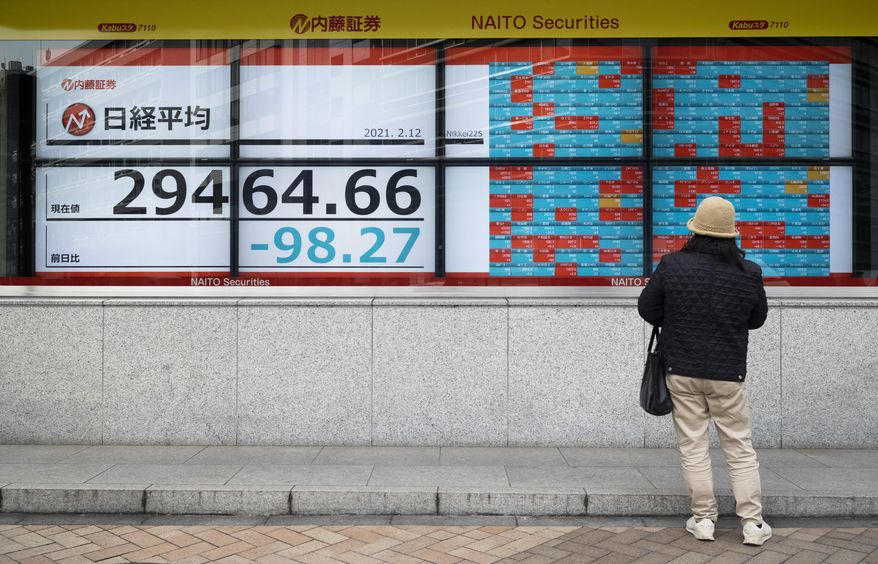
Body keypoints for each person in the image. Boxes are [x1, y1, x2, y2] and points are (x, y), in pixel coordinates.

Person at [638, 196, 771, 546]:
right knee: (739, 447)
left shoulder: (672, 264)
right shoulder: (750, 272)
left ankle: (704, 520)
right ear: (731, 235)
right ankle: (753, 525)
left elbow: (647, 309)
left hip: (681, 370)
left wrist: (678, 316)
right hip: (728, 373)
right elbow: (756, 320)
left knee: (693, 446)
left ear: (696, 230)